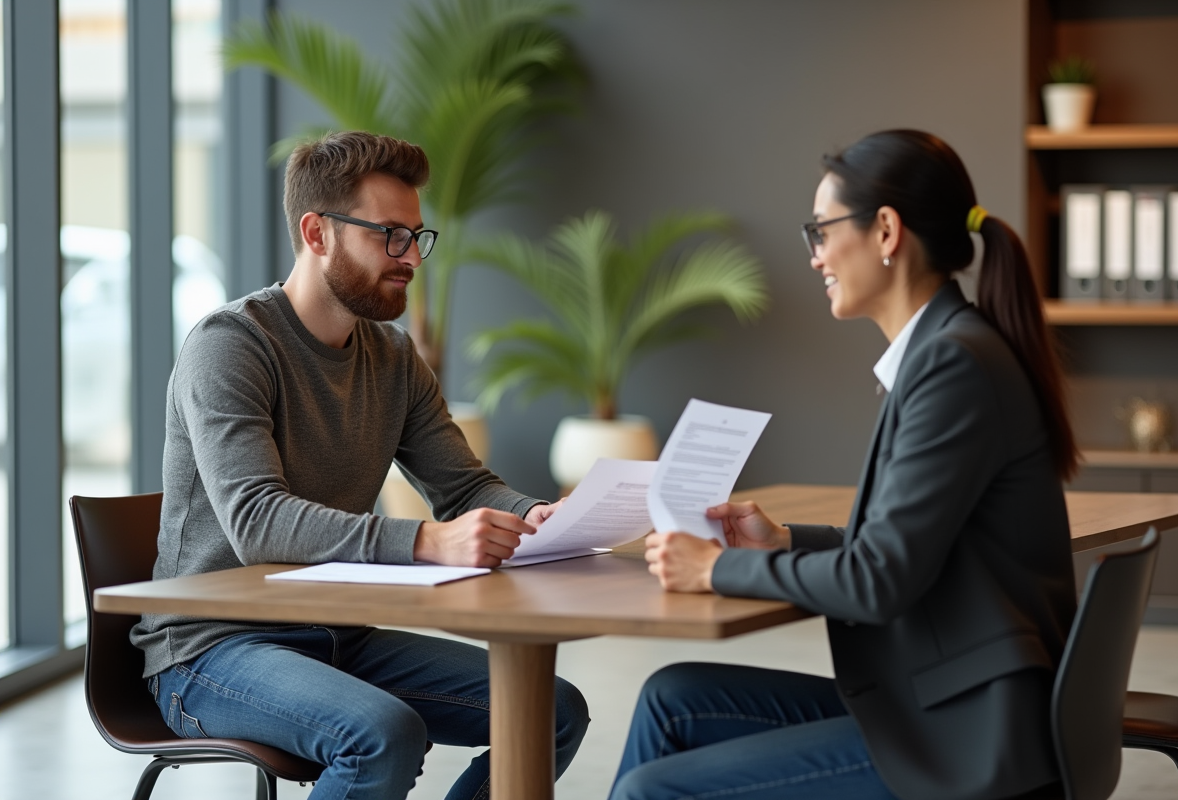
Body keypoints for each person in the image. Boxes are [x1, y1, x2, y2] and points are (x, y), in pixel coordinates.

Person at [609, 129, 1079, 800]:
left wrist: (717, 566)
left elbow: (880, 580)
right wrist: (785, 540)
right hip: (930, 705)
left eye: (822, 232)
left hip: (965, 741)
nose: (815, 257)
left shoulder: (954, 366)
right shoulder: (944, 353)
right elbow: (907, 550)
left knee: (650, 790)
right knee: (671, 699)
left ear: (886, 231)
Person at [131, 130, 589, 800]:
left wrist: (535, 516)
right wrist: (425, 542)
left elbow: (463, 485)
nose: (411, 257)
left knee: (551, 710)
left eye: (417, 237)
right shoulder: (231, 347)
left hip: (335, 634)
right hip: (210, 650)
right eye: (390, 236)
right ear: (317, 233)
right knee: (380, 734)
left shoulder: (394, 357)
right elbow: (257, 520)